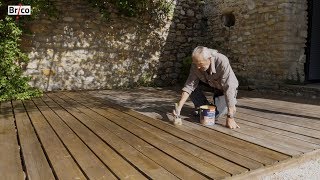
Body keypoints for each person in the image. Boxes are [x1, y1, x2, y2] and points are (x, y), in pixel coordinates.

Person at [173, 46, 240, 129]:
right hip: (209, 84)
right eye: (196, 64)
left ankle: (230, 106)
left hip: (224, 89)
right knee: (207, 114)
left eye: (200, 64)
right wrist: (179, 107)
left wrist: (230, 116)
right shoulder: (196, 64)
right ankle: (206, 107)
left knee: (214, 116)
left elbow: (229, 87)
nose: (197, 67)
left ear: (209, 58)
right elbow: (189, 86)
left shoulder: (221, 61)